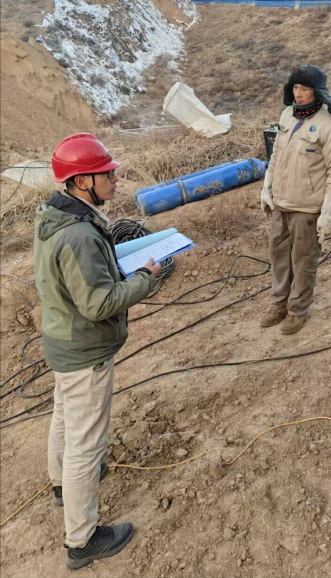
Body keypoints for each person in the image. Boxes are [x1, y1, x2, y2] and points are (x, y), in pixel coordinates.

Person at [34, 133, 162, 570]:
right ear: (83, 181)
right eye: (107, 173)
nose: (115, 179)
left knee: (65, 416)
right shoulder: (78, 236)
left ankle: (60, 484)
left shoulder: (56, 214)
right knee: (86, 446)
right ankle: (82, 540)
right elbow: (98, 304)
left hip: (63, 340)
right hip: (85, 350)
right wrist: (146, 278)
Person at [260, 64, 331, 334]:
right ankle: (279, 304)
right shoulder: (287, 115)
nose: (298, 94)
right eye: (295, 88)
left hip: (307, 207)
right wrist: (267, 185)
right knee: (278, 255)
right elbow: (277, 154)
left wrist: (330, 211)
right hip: (281, 201)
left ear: (317, 91)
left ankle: (299, 310)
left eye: (304, 89)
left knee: (303, 260)